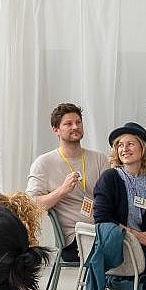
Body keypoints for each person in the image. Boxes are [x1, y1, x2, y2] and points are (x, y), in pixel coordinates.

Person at [92, 122, 146, 290]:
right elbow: (102, 219)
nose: (124, 149)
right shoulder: (110, 177)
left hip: (142, 246)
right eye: (120, 145)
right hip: (120, 247)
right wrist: (137, 236)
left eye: (130, 144)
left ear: (143, 149)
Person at [28, 103, 93, 264]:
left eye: (78, 122)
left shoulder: (99, 159)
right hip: (76, 241)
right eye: (68, 124)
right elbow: (31, 204)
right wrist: (62, 191)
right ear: (56, 130)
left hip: (103, 231)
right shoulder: (43, 163)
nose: (75, 127)